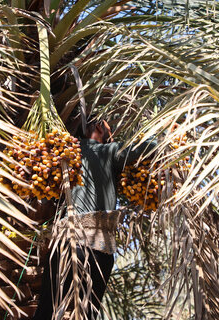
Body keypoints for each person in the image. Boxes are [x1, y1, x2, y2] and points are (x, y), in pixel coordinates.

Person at [33, 119, 156, 320]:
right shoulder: (106, 151)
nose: (112, 134)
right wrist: (167, 135)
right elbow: (147, 148)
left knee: (47, 309)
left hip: (65, 243)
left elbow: (45, 192)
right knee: (88, 314)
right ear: (99, 127)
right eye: (110, 129)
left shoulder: (65, 153)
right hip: (98, 249)